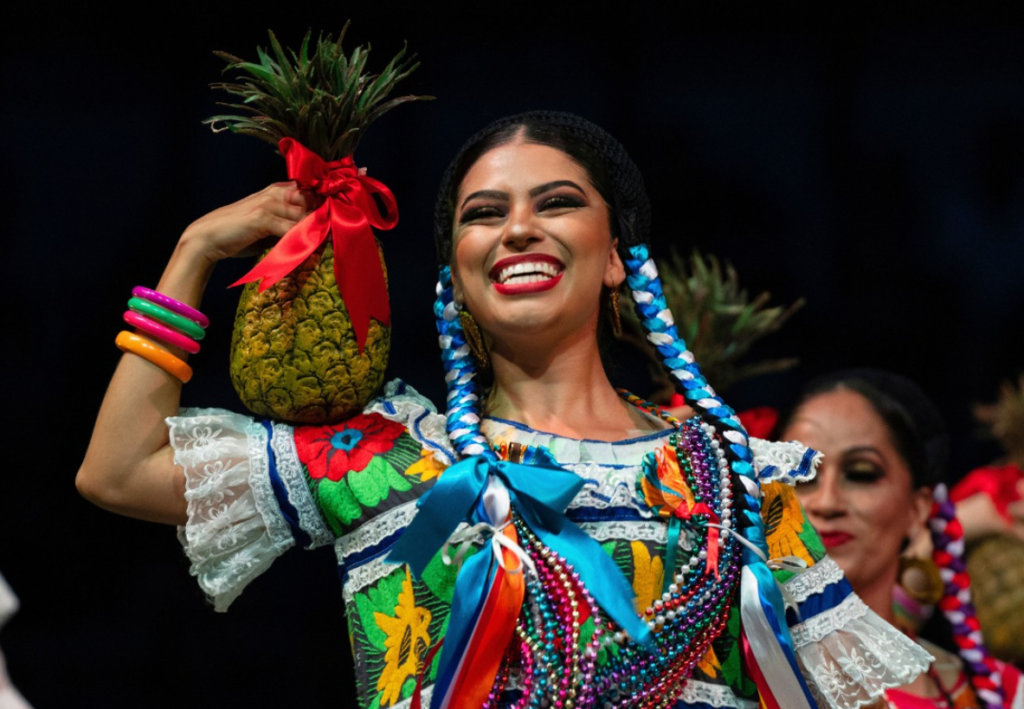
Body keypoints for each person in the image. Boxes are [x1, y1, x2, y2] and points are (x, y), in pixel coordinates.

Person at [78, 112, 930, 709]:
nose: (519, 228)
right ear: (455, 276)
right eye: (485, 214)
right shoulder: (387, 456)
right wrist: (195, 251)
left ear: (615, 258)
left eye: (556, 202)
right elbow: (118, 471)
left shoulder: (734, 475)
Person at [781, 369, 1024, 709]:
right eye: (801, 476)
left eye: (861, 474)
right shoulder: (721, 681)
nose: (826, 501)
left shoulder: (1001, 696)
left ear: (916, 508)